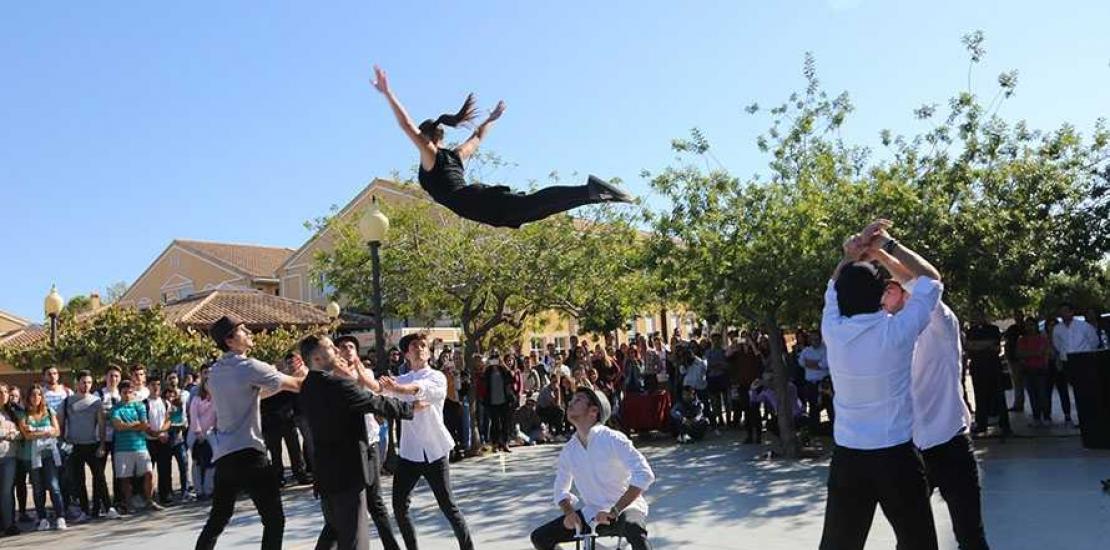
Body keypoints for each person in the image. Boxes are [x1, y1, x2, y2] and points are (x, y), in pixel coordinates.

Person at [370, 66, 633, 229]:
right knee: (534, 209)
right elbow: (477, 137)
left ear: (428, 138)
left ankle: (590, 190)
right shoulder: (455, 155)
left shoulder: (432, 156)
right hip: (480, 202)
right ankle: (592, 193)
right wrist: (492, 119)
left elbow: (406, 126)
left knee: (533, 205)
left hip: (476, 203)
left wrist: (388, 93)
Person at [819, 220, 943, 550]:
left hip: (849, 458)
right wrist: (887, 246)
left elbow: (832, 288)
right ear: (880, 295)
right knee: (919, 544)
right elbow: (931, 279)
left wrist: (850, 254)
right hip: (896, 457)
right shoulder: (896, 332)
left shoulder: (833, 331)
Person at [874, 248, 989, 550]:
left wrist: (883, 250)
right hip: (909, 450)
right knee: (912, 541)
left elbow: (925, 279)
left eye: (889, 287)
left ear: (904, 291)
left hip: (950, 443)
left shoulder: (939, 320)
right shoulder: (890, 330)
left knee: (970, 537)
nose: (882, 295)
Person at [195, 315, 308, 550]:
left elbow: (250, 395)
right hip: (250, 453)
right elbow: (297, 386)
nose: (249, 332)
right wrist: (304, 371)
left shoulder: (214, 372)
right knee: (274, 520)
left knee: (217, 520)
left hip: (225, 456)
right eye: (242, 330)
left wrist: (287, 377)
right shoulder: (250, 366)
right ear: (229, 340)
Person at [298, 335, 415, 550]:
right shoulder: (337, 384)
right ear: (316, 358)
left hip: (326, 472)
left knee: (334, 527)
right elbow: (373, 402)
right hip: (349, 473)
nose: (336, 350)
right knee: (355, 538)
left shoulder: (307, 386)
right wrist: (410, 408)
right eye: (330, 347)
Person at [379, 332, 474, 550]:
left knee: (447, 506)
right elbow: (377, 388)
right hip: (409, 453)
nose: (420, 348)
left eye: (424, 345)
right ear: (406, 354)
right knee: (399, 506)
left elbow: (415, 390)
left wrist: (395, 389)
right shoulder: (401, 379)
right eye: (415, 345)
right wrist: (355, 368)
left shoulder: (436, 377)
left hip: (435, 450)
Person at [529, 388, 656, 550]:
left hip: (625, 509)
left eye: (578, 400)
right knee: (540, 537)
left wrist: (615, 510)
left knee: (634, 529)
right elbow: (560, 490)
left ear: (593, 411)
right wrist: (569, 512)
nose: (571, 403)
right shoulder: (569, 450)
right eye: (572, 399)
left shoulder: (612, 439)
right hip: (593, 513)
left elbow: (644, 474)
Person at [333, 334, 403, 550]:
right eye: (343, 347)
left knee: (376, 503)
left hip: (369, 443)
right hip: (347, 448)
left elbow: (376, 389)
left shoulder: (366, 373)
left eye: (351, 346)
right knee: (349, 506)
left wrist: (359, 371)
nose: (348, 349)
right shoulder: (332, 378)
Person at [58, 371, 110, 520]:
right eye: (83, 382)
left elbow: (101, 424)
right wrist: (62, 441)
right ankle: (84, 511)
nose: (86, 385)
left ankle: (107, 507)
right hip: (74, 446)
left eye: (89, 382)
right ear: (77, 383)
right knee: (79, 480)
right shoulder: (68, 401)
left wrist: (102, 445)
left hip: (92, 444)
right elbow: (61, 423)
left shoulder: (96, 401)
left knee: (99, 477)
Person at [18, 384, 68, 531]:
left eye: (39, 394)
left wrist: (37, 431)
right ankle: (43, 518)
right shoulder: (24, 415)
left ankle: (60, 517)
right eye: (33, 395)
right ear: (28, 398)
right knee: (38, 488)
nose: (36, 397)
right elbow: (27, 435)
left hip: (49, 456)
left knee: (54, 486)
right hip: (31, 457)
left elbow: (57, 431)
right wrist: (45, 431)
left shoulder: (49, 411)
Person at [108, 380, 161, 515]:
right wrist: (135, 425)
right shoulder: (115, 409)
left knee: (148, 473)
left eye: (130, 392)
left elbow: (144, 424)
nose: (127, 395)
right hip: (122, 448)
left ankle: (149, 500)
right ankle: (129, 503)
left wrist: (128, 425)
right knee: (125, 478)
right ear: (120, 393)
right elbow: (117, 426)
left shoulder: (139, 406)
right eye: (124, 392)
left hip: (140, 446)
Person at [1051, 302, 1100, 428]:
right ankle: (1082, 418)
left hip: (1084, 360)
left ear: (1072, 312)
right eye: (1061, 311)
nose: (1064, 314)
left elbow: (1094, 341)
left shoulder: (1083, 326)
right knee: (1077, 391)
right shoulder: (1058, 329)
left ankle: (1093, 417)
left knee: (1088, 390)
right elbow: (1057, 345)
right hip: (1068, 362)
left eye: (1066, 311)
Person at [965, 315, 1012, 437]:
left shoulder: (994, 329)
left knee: (999, 395)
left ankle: (1004, 424)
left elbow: (996, 347)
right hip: (978, 367)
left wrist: (978, 346)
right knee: (979, 396)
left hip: (993, 367)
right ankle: (981, 424)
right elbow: (969, 346)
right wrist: (986, 345)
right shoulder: (971, 331)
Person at [1017, 318, 1052, 427]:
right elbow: (1020, 354)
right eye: (1027, 325)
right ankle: (1036, 416)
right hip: (1027, 370)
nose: (1029, 327)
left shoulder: (1042, 338)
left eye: (1031, 325)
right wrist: (1034, 353)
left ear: (1036, 326)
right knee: (1032, 395)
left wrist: (1030, 354)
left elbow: (1044, 352)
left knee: (1043, 394)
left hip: (1041, 369)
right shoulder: (1022, 340)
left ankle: (1046, 416)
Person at [188, 375, 217, 501]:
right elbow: (193, 416)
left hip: (210, 432)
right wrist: (198, 432)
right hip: (195, 433)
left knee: (214, 458)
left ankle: (209, 488)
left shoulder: (216, 400)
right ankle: (199, 490)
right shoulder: (197, 399)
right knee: (197, 462)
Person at [483, 355, 517, 453]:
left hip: (504, 401)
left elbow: (512, 378)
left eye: (496, 360)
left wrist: (504, 365)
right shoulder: (488, 372)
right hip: (492, 401)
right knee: (495, 424)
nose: (495, 362)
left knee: (505, 423)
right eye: (493, 360)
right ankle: (495, 444)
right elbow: (482, 377)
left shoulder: (503, 371)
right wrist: (486, 365)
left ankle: (505, 443)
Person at [798, 332, 832, 429]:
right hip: (811, 384)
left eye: (817, 339)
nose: (815, 341)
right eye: (812, 339)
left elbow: (824, 364)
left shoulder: (825, 350)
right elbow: (801, 363)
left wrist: (810, 363)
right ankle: (815, 429)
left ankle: (831, 428)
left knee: (828, 406)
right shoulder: (806, 351)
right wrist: (817, 363)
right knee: (813, 407)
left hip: (823, 383)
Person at [1, 384, 22, 536]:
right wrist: (4, 434)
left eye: (5, 392)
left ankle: (9, 524)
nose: (3, 394)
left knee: (7, 492)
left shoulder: (13, 412)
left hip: (9, 457)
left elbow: (23, 431)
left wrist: (15, 434)